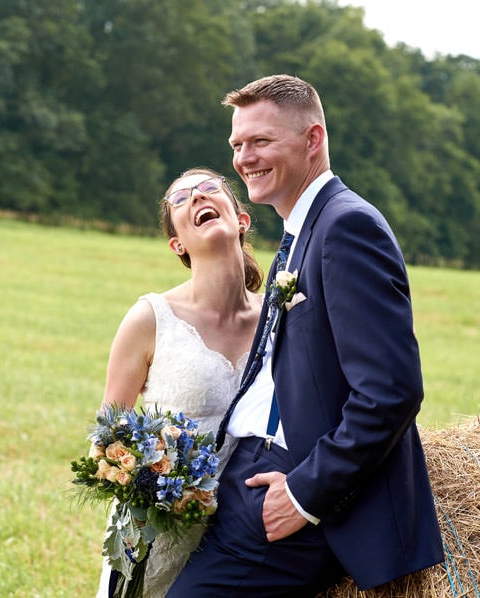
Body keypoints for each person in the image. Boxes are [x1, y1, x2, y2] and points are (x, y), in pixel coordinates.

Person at [170, 74, 443, 595]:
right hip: (242, 477)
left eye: (261, 141)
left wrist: (302, 494)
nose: (244, 158)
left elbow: (392, 391)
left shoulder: (345, 227)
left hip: (290, 496)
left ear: (312, 139)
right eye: (237, 145)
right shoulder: (302, 231)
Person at [96, 168, 266, 597]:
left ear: (241, 219)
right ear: (178, 244)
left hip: (244, 535)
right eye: (181, 198)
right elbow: (106, 437)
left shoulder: (277, 320)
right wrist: (155, 481)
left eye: (210, 189)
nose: (196, 197)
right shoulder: (150, 318)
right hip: (160, 535)